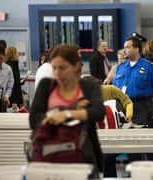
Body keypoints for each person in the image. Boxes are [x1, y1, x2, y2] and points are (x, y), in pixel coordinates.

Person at [29, 44, 105, 177]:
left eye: (62, 68)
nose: (57, 73)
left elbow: (98, 112)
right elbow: (34, 119)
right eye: (54, 68)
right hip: (49, 155)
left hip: (83, 155)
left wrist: (66, 115)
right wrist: (75, 110)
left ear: (75, 66)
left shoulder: (89, 86)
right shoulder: (46, 86)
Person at [82, 75, 133, 178]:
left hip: (116, 134)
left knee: (107, 157)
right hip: (98, 136)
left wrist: (128, 117)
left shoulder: (111, 89)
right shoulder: (84, 98)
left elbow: (127, 102)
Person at [113, 36, 153, 126]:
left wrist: (143, 96)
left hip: (140, 107)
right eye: (124, 47)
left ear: (136, 49)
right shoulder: (120, 67)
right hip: (121, 107)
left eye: (127, 47)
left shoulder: (150, 67)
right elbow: (115, 87)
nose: (124, 50)